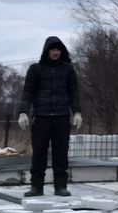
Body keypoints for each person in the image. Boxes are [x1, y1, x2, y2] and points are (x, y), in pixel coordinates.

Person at [17, 36, 82, 198]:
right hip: (41, 117)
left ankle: (60, 186)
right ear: (47, 51)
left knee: (61, 154)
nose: (55, 52)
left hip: (62, 117)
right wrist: (23, 112)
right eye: (53, 49)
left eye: (58, 49)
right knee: (39, 153)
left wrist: (77, 112)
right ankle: (36, 187)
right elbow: (27, 92)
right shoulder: (35, 69)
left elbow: (74, 93)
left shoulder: (68, 69)